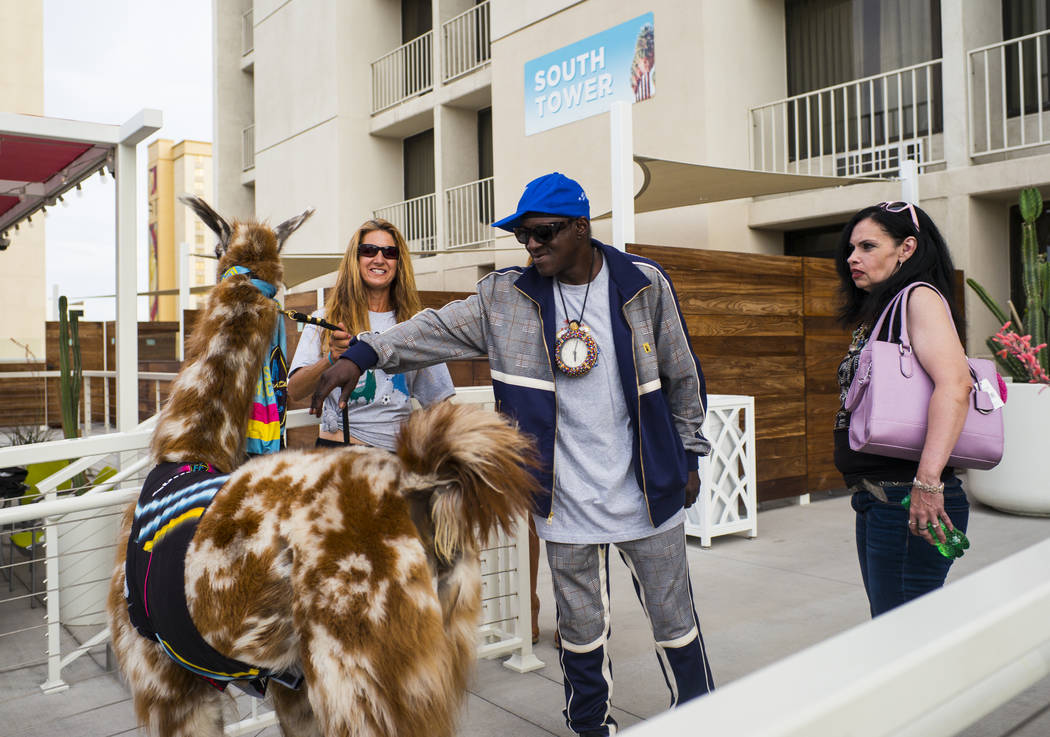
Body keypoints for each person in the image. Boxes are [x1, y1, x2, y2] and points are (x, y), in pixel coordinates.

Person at [311, 172, 715, 736]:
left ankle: (704, 718)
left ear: (581, 228)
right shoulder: (506, 297)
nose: (533, 245)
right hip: (563, 501)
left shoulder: (643, 285)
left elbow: (683, 377)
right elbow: (432, 328)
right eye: (524, 235)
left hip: (649, 492)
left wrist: (690, 454)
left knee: (675, 622)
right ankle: (590, 726)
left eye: (544, 233)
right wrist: (364, 353)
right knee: (580, 629)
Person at [834, 201, 973, 617]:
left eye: (867, 246)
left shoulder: (919, 298)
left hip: (906, 500)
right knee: (900, 628)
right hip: (882, 499)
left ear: (906, 248)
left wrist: (927, 485)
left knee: (901, 637)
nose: (852, 258)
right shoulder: (882, 310)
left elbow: (955, 385)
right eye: (851, 248)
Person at [287, 218, 454, 449]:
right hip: (338, 455)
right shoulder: (325, 319)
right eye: (368, 251)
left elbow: (440, 403)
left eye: (389, 252)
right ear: (355, 260)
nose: (379, 259)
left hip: (395, 461)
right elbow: (295, 390)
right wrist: (330, 359)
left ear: (399, 262)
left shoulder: (416, 326)